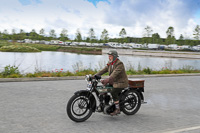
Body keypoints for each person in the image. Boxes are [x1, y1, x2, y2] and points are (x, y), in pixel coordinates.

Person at [95, 50, 128, 116]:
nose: (109, 57)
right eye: (108, 56)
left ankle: (117, 109)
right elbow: (104, 70)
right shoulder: (110, 63)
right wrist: (94, 76)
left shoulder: (119, 64)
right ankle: (105, 104)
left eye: (110, 56)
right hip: (113, 82)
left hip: (121, 82)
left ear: (115, 57)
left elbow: (114, 74)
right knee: (103, 89)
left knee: (113, 91)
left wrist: (107, 80)